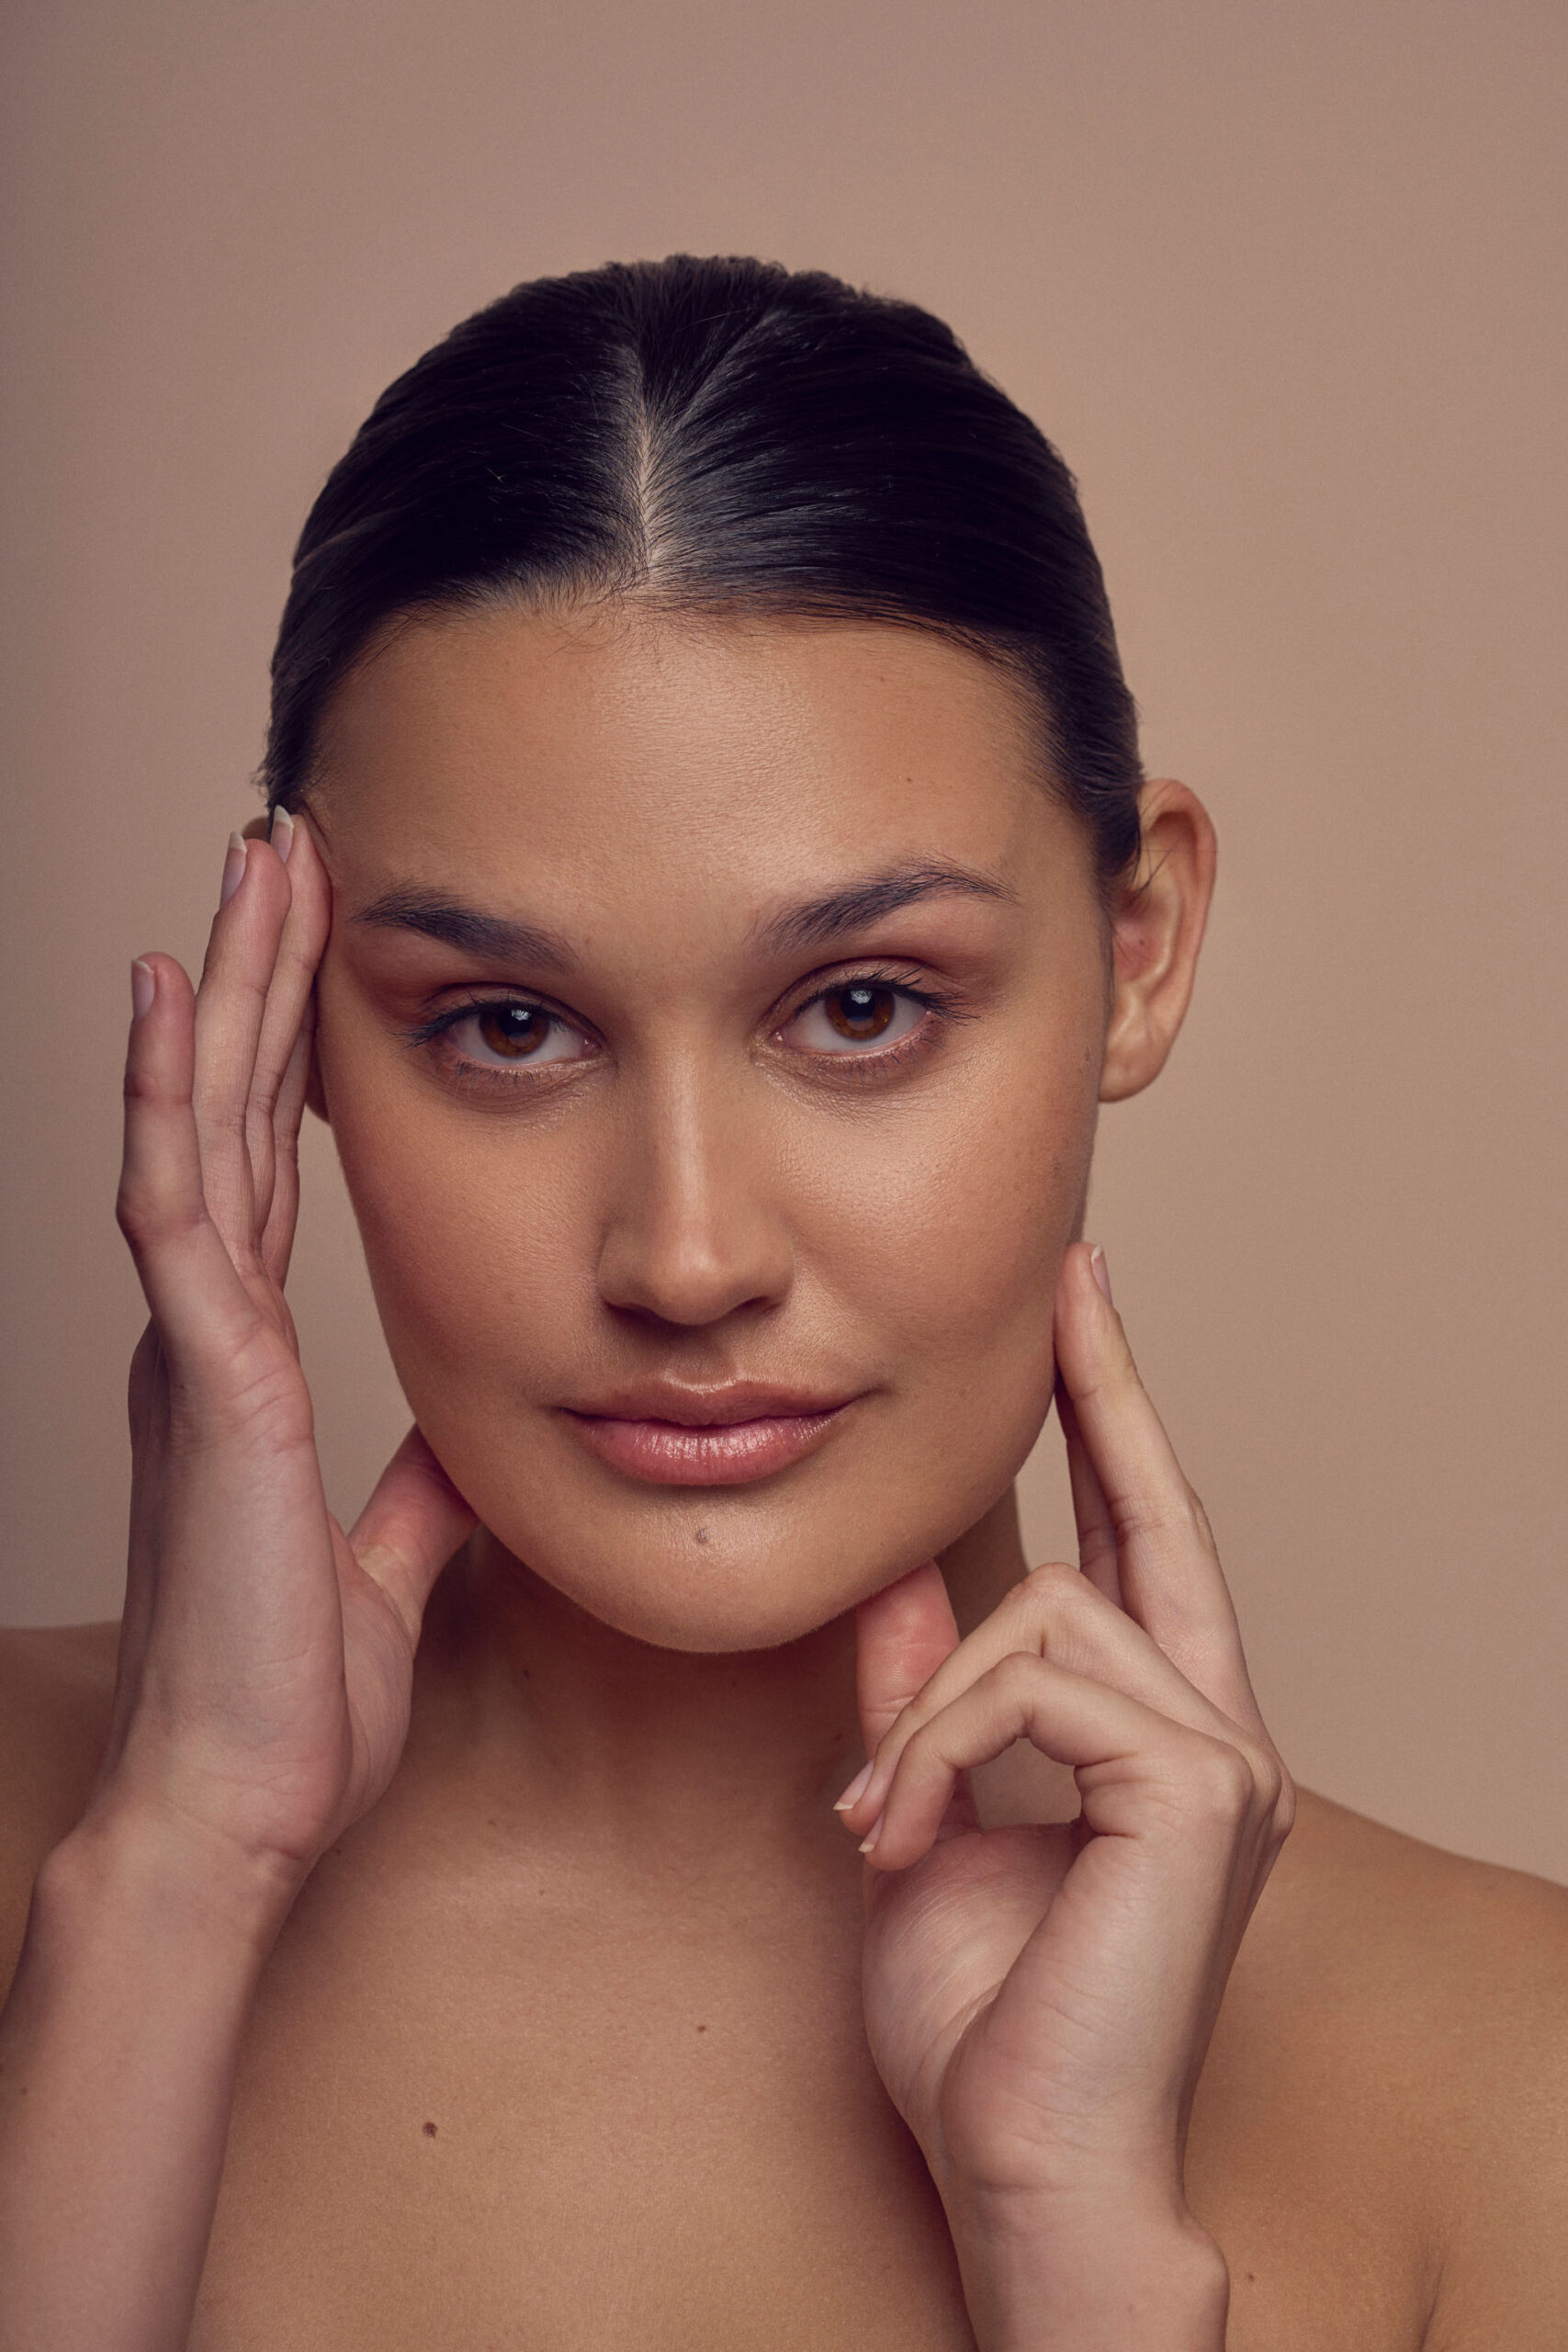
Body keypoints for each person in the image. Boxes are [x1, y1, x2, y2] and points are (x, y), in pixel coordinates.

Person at [0, 255, 1562, 2352]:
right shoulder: (69, 1855)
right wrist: (176, 1883)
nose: (684, 1252)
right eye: (499, 1022)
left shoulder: (1506, 2083)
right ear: (284, 1019)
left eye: (856, 1004)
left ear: (1142, 937)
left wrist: (1067, 2238)